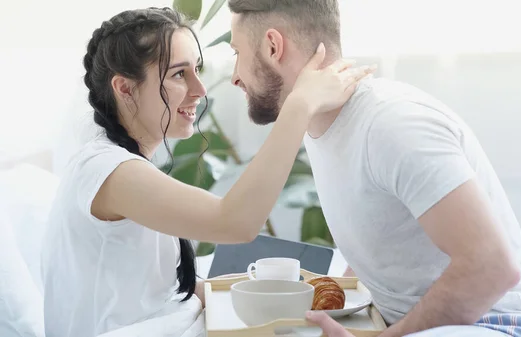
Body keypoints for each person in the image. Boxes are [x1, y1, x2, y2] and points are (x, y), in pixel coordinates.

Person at [40, 6, 375, 337]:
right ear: (125, 89)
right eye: (178, 74)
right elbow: (235, 222)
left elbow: (162, 291)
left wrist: (273, 293)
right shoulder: (106, 170)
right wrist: (300, 105)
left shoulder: (123, 163)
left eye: (197, 70)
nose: (200, 90)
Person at [226, 0, 521, 336]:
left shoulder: (391, 124)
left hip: (496, 323)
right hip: (410, 322)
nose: (234, 76)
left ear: (272, 46)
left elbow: (493, 267)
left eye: (237, 52)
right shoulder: (318, 124)